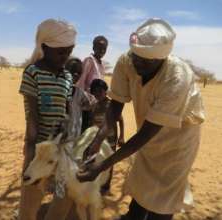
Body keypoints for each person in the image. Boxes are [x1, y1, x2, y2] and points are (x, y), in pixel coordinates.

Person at [77, 18, 205, 220]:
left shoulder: (177, 77)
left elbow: (147, 133)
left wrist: (102, 166)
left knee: (164, 197)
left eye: (145, 61)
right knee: (142, 182)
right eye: (136, 56)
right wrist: (96, 141)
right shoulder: (127, 61)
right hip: (147, 133)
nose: (137, 63)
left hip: (178, 141)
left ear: (161, 59)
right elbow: (115, 106)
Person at [18, 18, 76, 220]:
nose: (66, 56)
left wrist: (67, 129)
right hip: (39, 147)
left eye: (69, 51)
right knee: (31, 199)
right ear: (44, 47)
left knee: (64, 195)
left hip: (60, 148)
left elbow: (67, 111)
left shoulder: (67, 77)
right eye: (61, 52)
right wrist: (31, 155)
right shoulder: (33, 72)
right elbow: (32, 118)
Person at [89, 78, 124, 193]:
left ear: (105, 91)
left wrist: (121, 136)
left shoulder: (112, 105)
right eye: (94, 91)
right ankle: (98, 183)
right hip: (98, 140)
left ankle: (106, 186)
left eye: (100, 91)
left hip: (111, 139)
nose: (97, 94)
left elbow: (120, 120)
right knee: (97, 160)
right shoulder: (95, 105)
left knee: (109, 161)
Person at [76, 35, 108, 132]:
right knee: (84, 132)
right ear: (94, 47)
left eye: (104, 48)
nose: (102, 50)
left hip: (96, 106)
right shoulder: (89, 61)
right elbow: (80, 83)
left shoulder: (101, 64)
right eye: (99, 47)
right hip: (86, 106)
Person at [65, 57, 96, 139]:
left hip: (75, 137)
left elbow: (92, 105)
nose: (76, 74)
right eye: (72, 71)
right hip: (59, 138)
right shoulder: (58, 91)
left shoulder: (80, 93)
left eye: (79, 73)